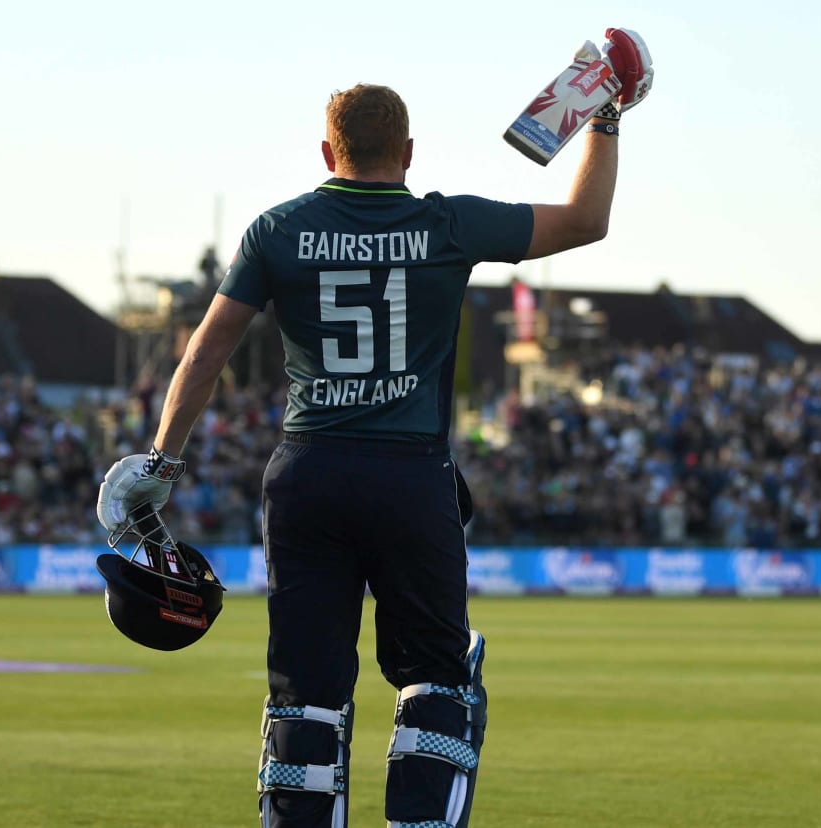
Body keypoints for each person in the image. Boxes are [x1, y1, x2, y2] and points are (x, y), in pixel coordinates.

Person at [96, 43, 650, 827]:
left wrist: (161, 458)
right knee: (434, 683)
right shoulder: (447, 223)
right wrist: (606, 115)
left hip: (308, 475)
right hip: (410, 478)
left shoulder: (277, 229)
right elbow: (587, 222)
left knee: (307, 693)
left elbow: (207, 350)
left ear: (329, 151)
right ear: (409, 153)